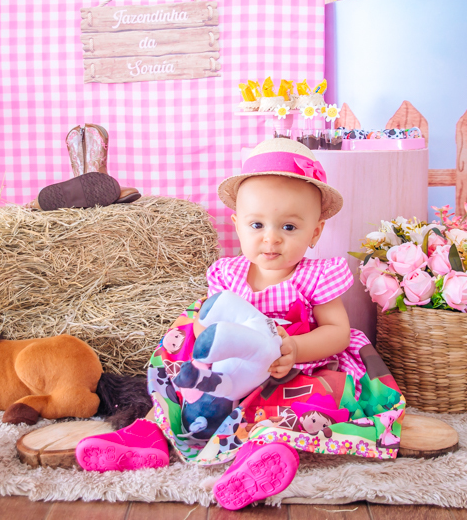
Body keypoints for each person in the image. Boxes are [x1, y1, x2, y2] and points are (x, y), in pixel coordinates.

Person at [75, 138, 404, 509]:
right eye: (257, 224)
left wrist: (295, 348)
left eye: (289, 227)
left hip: (292, 371)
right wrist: (203, 345)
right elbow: (208, 321)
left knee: (299, 408)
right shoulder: (228, 274)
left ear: (315, 232)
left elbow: (337, 333)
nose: (271, 238)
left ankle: (261, 456)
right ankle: (149, 433)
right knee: (184, 377)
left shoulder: (316, 276)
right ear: (237, 225)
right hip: (228, 372)